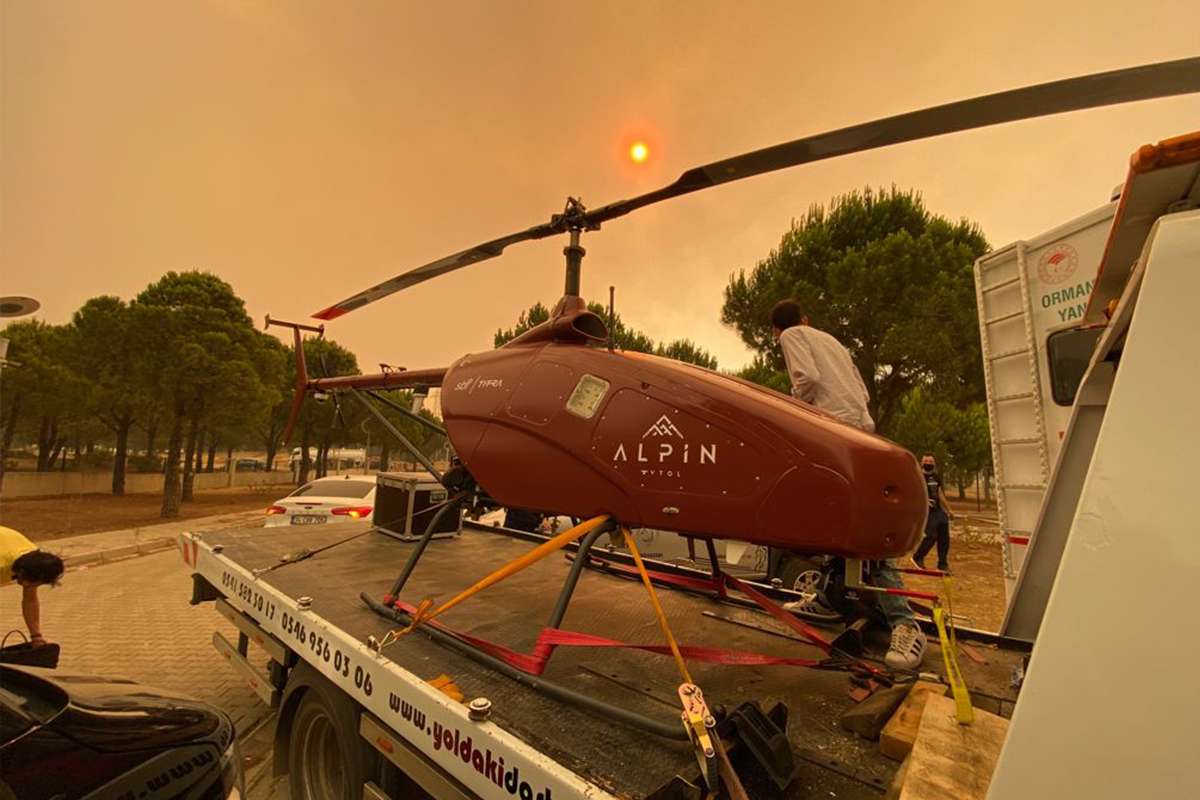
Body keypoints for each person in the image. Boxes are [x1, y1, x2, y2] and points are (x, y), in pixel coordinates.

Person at [770, 299, 926, 671]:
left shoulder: (791, 335)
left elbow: (806, 379)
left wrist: (795, 412)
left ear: (777, 330)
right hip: (858, 426)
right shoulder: (832, 341)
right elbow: (863, 391)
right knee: (837, 522)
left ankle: (905, 622)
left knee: (859, 532)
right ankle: (828, 596)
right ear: (806, 318)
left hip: (833, 430)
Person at [0, 525, 64, 648]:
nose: (25, 585)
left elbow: (30, 600)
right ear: (22, 570)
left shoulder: (33, 561)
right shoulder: (3, 562)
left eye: (33, 584)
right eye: (27, 581)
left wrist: (36, 636)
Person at [913, 454, 954, 571]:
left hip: (938, 510)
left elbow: (940, 494)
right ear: (921, 463)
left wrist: (949, 510)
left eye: (931, 461)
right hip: (925, 510)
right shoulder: (918, 476)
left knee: (944, 536)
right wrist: (925, 501)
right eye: (926, 461)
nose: (928, 463)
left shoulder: (936, 477)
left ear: (934, 464)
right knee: (931, 536)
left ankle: (942, 564)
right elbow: (914, 493)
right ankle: (918, 557)